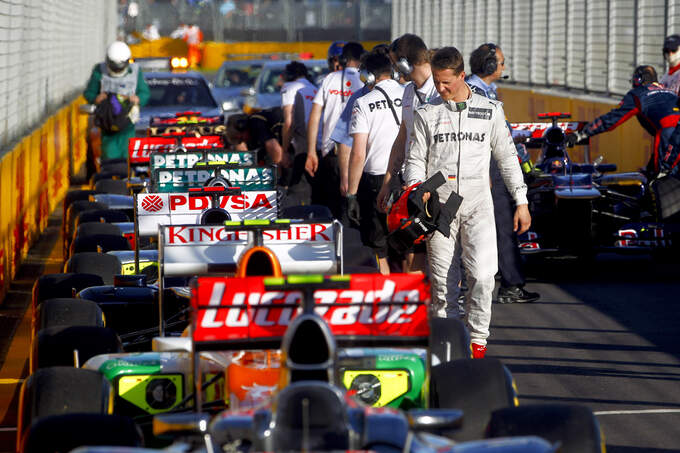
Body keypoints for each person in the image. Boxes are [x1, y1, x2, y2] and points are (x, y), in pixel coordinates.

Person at [404, 47, 530, 358]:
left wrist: (521, 200)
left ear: (462, 75)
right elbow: (414, 159)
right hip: (440, 208)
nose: (440, 88)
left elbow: (507, 158)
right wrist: (416, 189)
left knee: (484, 278)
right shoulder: (426, 114)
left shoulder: (490, 110)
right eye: (436, 81)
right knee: (443, 285)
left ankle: (478, 345)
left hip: (478, 204)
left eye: (446, 82)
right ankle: (445, 349)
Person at [466, 43, 540, 305]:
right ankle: (510, 285)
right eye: (500, 62)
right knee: (501, 227)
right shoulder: (476, 92)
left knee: (499, 227)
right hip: (486, 167)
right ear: (488, 65)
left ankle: (508, 283)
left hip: (489, 164)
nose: (503, 67)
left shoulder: (485, 90)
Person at [376, 33, 439, 273]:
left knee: (443, 256)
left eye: (395, 63)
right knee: (413, 251)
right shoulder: (409, 92)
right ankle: (420, 306)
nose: (394, 70)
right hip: (412, 184)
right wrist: (387, 182)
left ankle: (449, 305)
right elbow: (402, 139)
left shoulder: (440, 91)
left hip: (438, 185)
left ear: (405, 63)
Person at [345, 49, 405, 274]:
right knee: (408, 244)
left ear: (369, 76)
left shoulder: (363, 102)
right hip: (409, 177)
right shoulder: (410, 95)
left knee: (379, 247)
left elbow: (358, 154)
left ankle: (389, 295)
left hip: (376, 180)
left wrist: (351, 194)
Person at [567, 65, 680, 178]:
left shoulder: (638, 93)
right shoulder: (670, 92)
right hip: (674, 135)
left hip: (671, 134)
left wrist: (581, 134)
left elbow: (610, 120)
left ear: (638, 80)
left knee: (661, 182)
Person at [305, 42, 365, 219]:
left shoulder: (329, 79)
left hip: (331, 152)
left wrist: (311, 152)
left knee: (332, 210)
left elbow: (315, 116)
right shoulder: (365, 80)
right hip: (358, 152)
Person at [83, 41, 150, 162]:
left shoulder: (135, 72)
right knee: (109, 157)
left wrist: (138, 99)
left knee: (128, 157)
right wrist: (96, 98)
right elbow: (89, 92)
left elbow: (144, 92)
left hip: (127, 124)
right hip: (107, 126)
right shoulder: (99, 71)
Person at [280, 61, 318, 205]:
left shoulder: (290, 87)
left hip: (304, 149)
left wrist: (284, 152)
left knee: (296, 196)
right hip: (321, 148)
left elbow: (289, 122)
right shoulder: (315, 89)